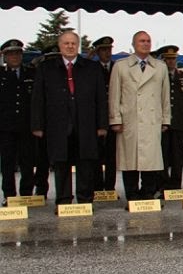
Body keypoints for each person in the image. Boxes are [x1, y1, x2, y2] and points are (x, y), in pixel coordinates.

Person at [30, 31, 108, 207]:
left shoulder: (91, 68)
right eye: (66, 43)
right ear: (60, 46)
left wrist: (102, 124)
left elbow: (101, 99)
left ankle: (85, 200)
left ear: (78, 45)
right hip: (58, 125)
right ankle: (64, 201)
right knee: (61, 164)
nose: (70, 46)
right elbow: (38, 99)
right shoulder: (46, 68)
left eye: (73, 43)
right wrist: (37, 125)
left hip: (86, 124)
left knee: (85, 163)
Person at [109, 30, 169, 202]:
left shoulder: (160, 67)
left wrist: (166, 119)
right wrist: (115, 119)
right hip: (130, 121)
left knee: (150, 161)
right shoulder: (120, 66)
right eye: (142, 41)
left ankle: (148, 193)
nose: (146, 44)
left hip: (151, 121)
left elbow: (164, 96)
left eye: (148, 41)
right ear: (134, 44)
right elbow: (114, 95)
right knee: (129, 161)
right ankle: (132, 194)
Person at [0, 39, 49, 206]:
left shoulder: (32, 73)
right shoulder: (1, 74)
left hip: (27, 126)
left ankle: (26, 194)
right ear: (4, 56)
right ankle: (9, 195)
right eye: (10, 54)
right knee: (7, 163)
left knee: (27, 161)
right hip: (5, 127)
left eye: (17, 53)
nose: (14, 57)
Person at [157, 45, 183, 191]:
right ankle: (163, 184)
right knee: (162, 155)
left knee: (177, 156)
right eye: (168, 59)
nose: (171, 62)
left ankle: (175, 184)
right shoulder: (157, 77)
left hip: (178, 122)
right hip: (162, 123)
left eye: (173, 59)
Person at [91, 36, 118, 193]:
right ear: (97, 52)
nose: (107, 53)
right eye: (104, 50)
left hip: (113, 116)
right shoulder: (92, 68)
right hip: (96, 118)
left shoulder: (116, 67)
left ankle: (110, 187)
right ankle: (97, 186)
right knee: (96, 154)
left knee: (111, 155)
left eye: (109, 50)